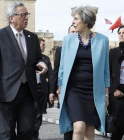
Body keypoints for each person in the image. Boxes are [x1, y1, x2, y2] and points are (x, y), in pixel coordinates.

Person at [0, 2, 47, 140]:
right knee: (7, 134)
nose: (26, 18)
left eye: (27, 14)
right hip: (5, 92)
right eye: (22, 15)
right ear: (11, 17)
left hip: (27, 92)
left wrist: (41, 63)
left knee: (27, 130)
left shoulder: (33, 37)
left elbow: (37, 58)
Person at [58, 6, 110, 140]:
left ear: (86, 21)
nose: (73, 22)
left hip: (94, 91)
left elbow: (105, 70)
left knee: (89, 130)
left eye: (76, 19)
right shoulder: (68, 40)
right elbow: (62, 68)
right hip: (74, 90)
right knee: (79, 126)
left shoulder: (103, 40)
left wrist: (106, 94)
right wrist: (60, 89)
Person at [52, 25, 75, 140]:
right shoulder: (61, 50)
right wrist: (54, 91)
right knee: (68, 121)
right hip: (66, 89)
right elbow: (56, 70)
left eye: (76, 32)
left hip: (81, 88)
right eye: (72, 32)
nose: (74, 34)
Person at [33, 38, 54, 140]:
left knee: (39, 113)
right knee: (31, 112)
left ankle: (34, 134)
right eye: (42, 45)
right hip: (30, 89)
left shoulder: (46, 59)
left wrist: (51, 92)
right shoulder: (29, 57)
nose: (44, 47)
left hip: (42, 89)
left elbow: (50, 75)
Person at [109, 25, 124, 140]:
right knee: (118, 125)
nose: (121, 35)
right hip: (117, 91)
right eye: (119, 33)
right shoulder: (113, 52)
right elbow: (107, 73)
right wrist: (114, 89)